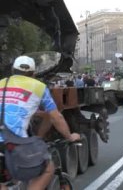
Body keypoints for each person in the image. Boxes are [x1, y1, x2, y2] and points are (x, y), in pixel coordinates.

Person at [0, 56, 80, 189]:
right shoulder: (39, 87)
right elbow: (56, 117)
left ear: (13, 71)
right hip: (12, 142)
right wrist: (69, 136)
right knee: (48, 168)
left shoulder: (2, 83)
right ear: (33, 74)